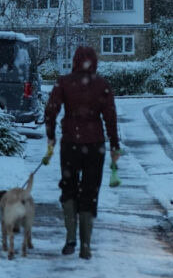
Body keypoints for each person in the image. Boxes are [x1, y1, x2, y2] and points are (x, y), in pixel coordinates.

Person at [44, 46, 121, 259]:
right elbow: (111, 118)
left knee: (68, 187)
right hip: (95, 145)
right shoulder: (102, 85)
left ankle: (70, 238)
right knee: (89, 191)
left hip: (70, 144)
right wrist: (114, 145)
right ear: (94, 62)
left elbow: (51, 110)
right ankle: (86, 245)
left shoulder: (64, 82)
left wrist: (51, 135)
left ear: (75, 61)